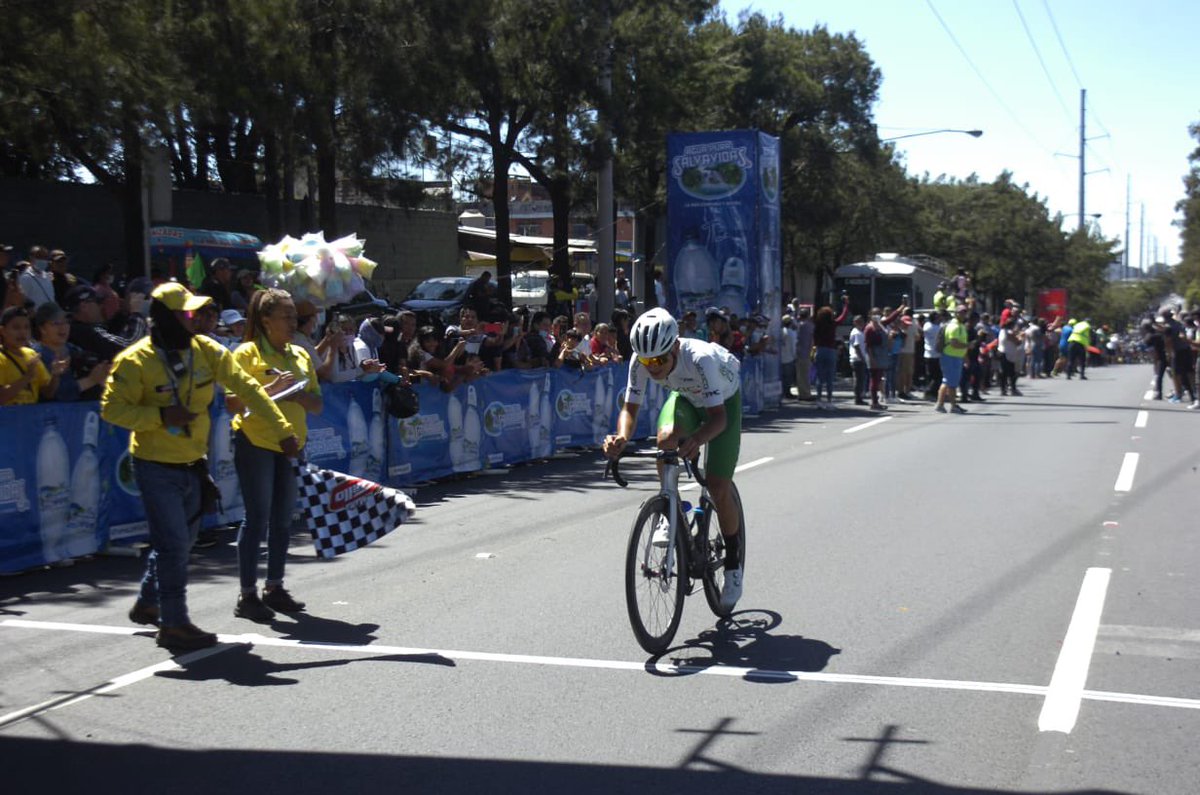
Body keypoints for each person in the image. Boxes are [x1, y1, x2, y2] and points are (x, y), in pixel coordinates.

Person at [100, 282, 299, 652]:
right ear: (163, 318)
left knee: (181, 542)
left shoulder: (207, 350)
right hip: (154, 465)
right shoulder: (135, 361)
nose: (194, 320)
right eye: (185, 314)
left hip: (194, 463)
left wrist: (283, 430)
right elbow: (112, 410)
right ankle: (174, 625)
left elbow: (250, 388)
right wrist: (160, 415)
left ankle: (148, 602)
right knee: (175, 544)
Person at [603, 308, 745, 611]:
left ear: (675, 347)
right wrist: (621, 438)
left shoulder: (700, 358)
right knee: (665, 439)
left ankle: (733, 565)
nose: (652, 368)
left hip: (723, 405)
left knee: (719, 487)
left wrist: (697, 439)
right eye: (646, 361)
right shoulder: (641, 359)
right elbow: (630, 409)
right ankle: (671, 506)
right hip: (688, 399)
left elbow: (717, 419)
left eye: (658, 361)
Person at [225, 289, 323, 622]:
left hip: (293, 444)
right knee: (257, 517)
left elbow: (317, 403)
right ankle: (247, 594)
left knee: (283, 519)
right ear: (266, 321)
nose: (293, 321)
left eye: (295, 315)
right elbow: (233, 404)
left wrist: (297, 395)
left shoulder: (300, 354)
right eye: (286, 316)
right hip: (257, 442)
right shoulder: (246, 354)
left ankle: (275, 586)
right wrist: (271, 391)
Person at [32, 302, 111, 401]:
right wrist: (90, 380)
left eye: (66, 322)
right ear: (42, 329)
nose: (63, 327)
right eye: (56, 323)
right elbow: (52, 395)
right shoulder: (36, 355)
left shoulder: (73, 349)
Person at [0, 306, 67, 405]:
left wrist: (55, 375)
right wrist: (27, 376)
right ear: (2, 331)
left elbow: (48, 393)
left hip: (30, 417)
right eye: (16, 327)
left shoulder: (31, 354)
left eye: (26, 327)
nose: (22, 332)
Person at [65, 284, 133, 362]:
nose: (102, 306)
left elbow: (111, 330)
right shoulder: (86, 332)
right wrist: (137, 315)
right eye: (98, 302)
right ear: (84, 307)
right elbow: (126, 345)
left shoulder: (76, 328)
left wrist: (124, 313)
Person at [935, 305, 969, 414]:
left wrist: (965, 356)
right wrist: (967, 346)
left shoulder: (961, 326)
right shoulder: (954, 327)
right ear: (956, 313)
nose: (963, 314)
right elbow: (954, 343)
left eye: (964, 312)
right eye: (961, 312)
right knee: (951, 382)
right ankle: (951, 405)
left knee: (949, 381)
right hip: (950, 356)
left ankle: (943, 404)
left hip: (956, 357)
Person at [19, 246, 56, 310]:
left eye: (45, 257)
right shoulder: (26, 277)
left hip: (50, 317)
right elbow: (22, 301)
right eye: (39, 257)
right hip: (35, 318)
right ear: (31, 258)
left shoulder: (47, 276)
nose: (42, 260)